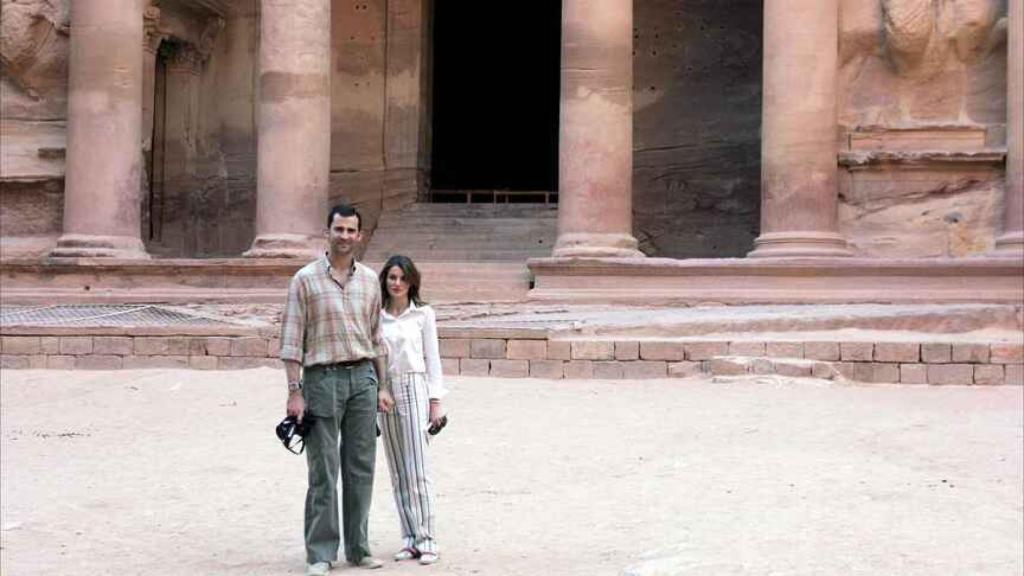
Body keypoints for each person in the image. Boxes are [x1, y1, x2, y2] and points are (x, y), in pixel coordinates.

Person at [279, 203, 395, 576]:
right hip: (322, 378)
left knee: (361, 467)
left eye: (351, 231)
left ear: (360, 236)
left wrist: (382, 386)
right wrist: (294, 391)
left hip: (363, 378)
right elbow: (292, 339)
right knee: (323, 469)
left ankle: (358, 547)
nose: (345, 236)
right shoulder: (305, 280)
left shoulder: (369, 281)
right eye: (339, 229)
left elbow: (377, 338)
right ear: (327, 232)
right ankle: (320, 553)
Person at [377, 255, 448, 565]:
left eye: (402, 278)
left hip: (416, 387)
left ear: (411, 282)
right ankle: (409, 538)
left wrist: (436, 403)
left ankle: (428, 538)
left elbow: (433, 359)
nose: (397, 283)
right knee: (397, 471)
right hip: (386, 390)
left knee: (417, 467)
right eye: (392, 277)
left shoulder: (423, 315)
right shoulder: (377, 317)